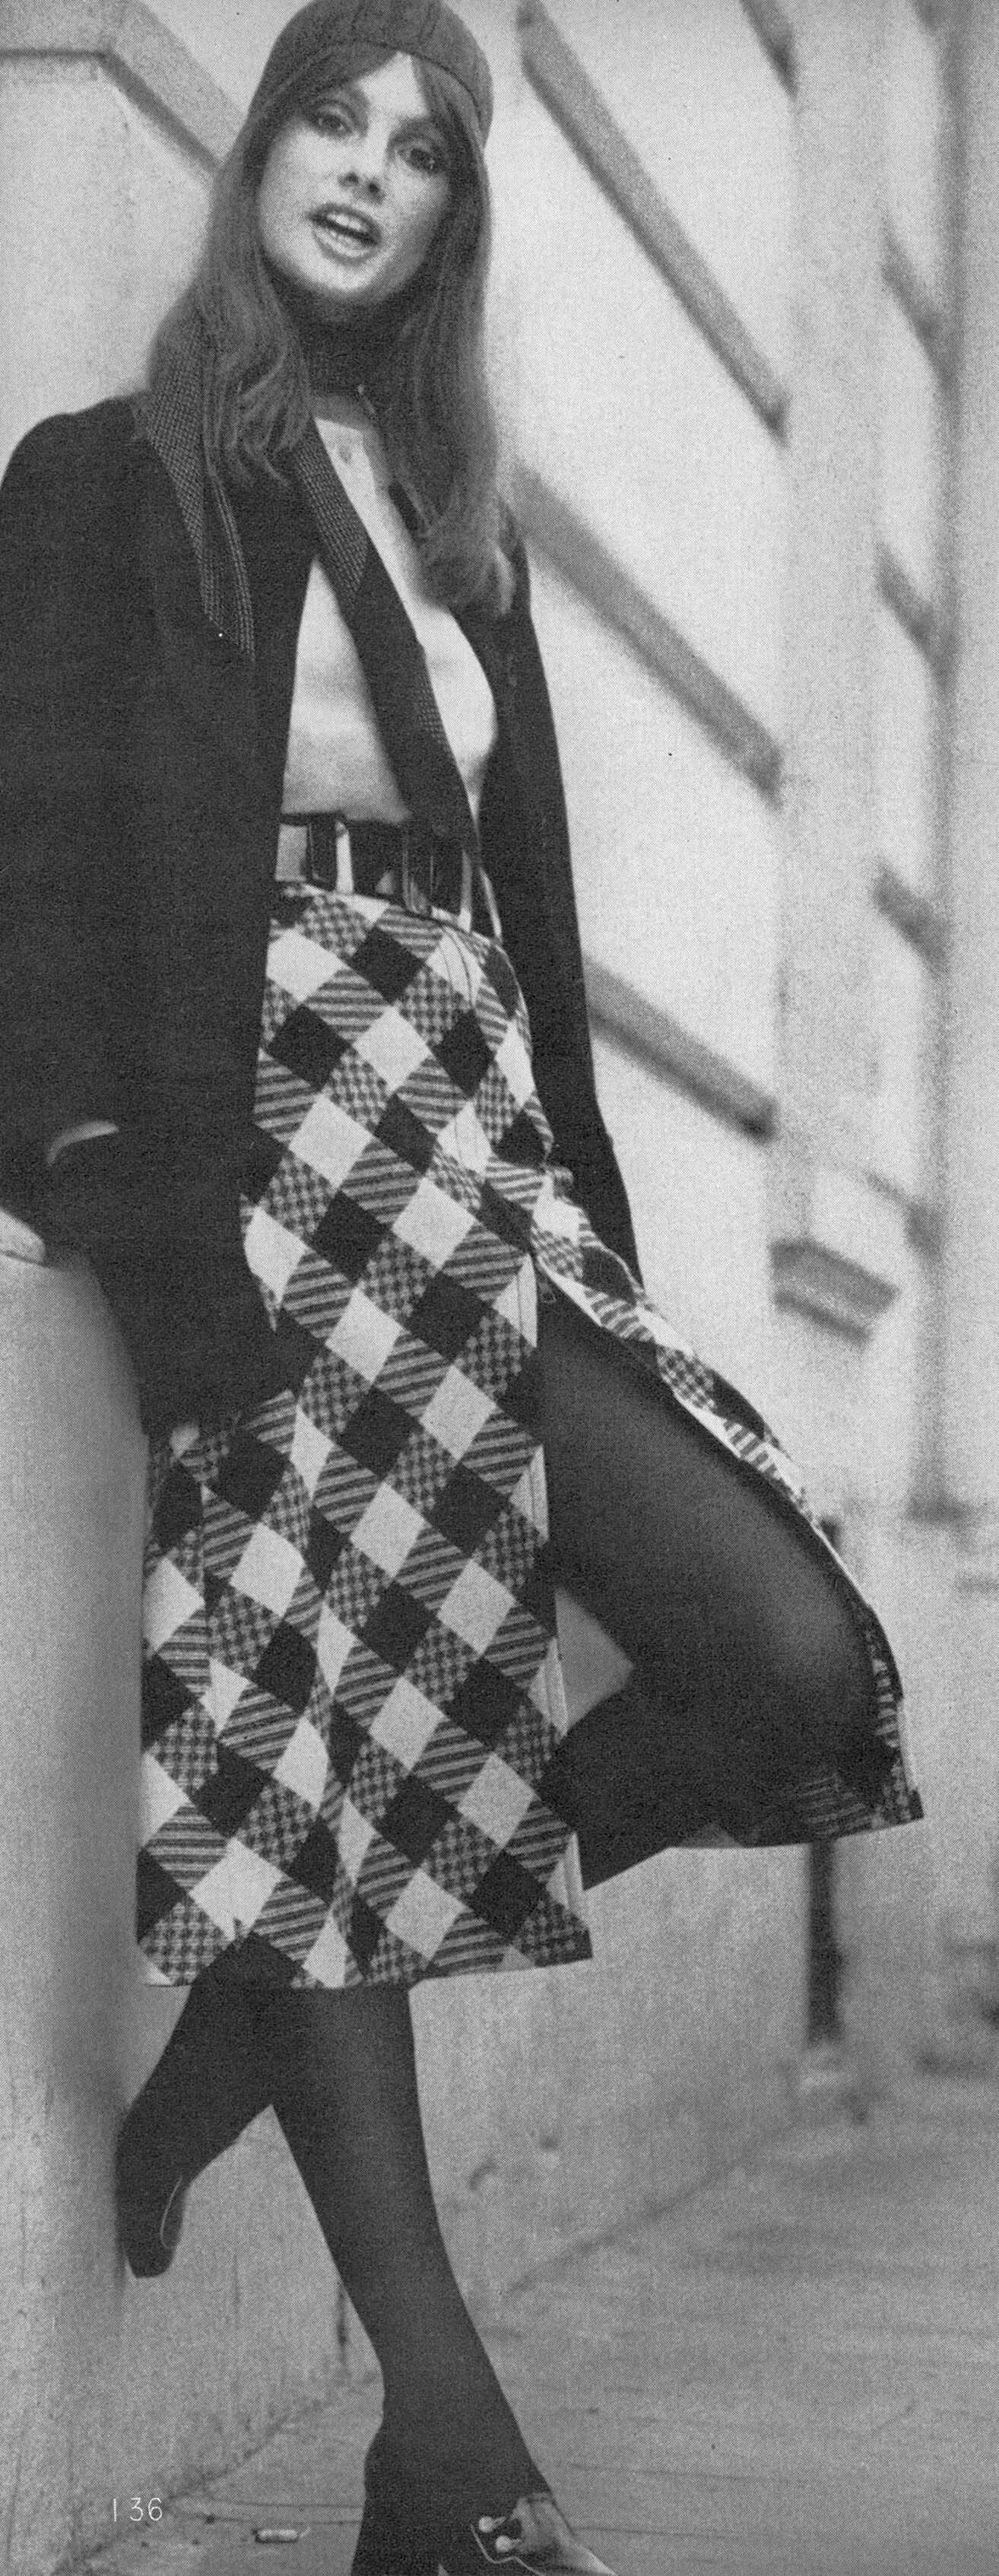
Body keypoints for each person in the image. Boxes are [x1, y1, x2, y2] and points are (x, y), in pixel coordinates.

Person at [0, 4, 921, 2568]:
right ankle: (449, 2449)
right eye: (331, 115)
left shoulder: (451, 515)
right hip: (250, 1141)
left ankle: (240, 2021)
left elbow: (522, 909)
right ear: (260, 151)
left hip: (464, 1135)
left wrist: (582, 1208)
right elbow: (29, 861)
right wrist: (104, 1179)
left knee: (783, 1658)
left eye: (419, 150)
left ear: (447, 222)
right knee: (311, 1752)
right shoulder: (110, 477)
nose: (364, 170)